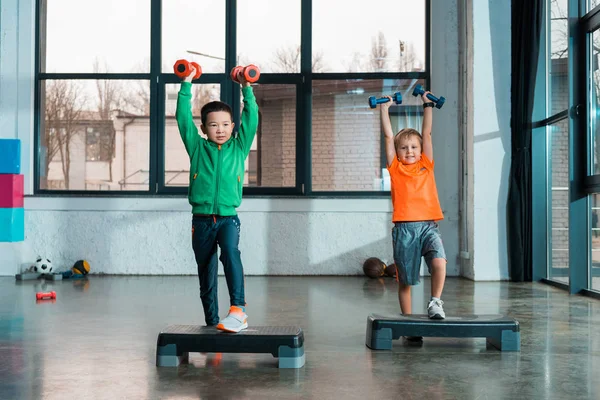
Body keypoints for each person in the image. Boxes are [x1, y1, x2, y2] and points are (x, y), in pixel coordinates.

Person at [176, 65, 258, 333]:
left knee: (231, 253)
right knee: (206, 271)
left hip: (227, 218)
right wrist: (186, 83)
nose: (220, 129)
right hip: (200, 220)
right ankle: (212, 322)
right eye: (214, 125)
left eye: (225, 125)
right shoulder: (197, 146)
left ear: (232, 126)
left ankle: (238, 310)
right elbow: (182, 119)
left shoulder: (239, 147)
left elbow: (252, 117)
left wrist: (246, 88)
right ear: (204, 128)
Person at [379, 89, 447, 325]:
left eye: (414, 147)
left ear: (421, 151)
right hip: (404, 230)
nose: (409, 151)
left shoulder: (426, 165)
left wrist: (427, 105)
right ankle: (408, 322)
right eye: (404, 148)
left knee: (439, 262)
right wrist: (384, 110)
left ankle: (435, 302)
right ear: (397, 152)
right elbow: (389, 137)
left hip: (429, 226)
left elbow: (426, 133)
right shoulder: (395, 168)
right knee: (405, 282)